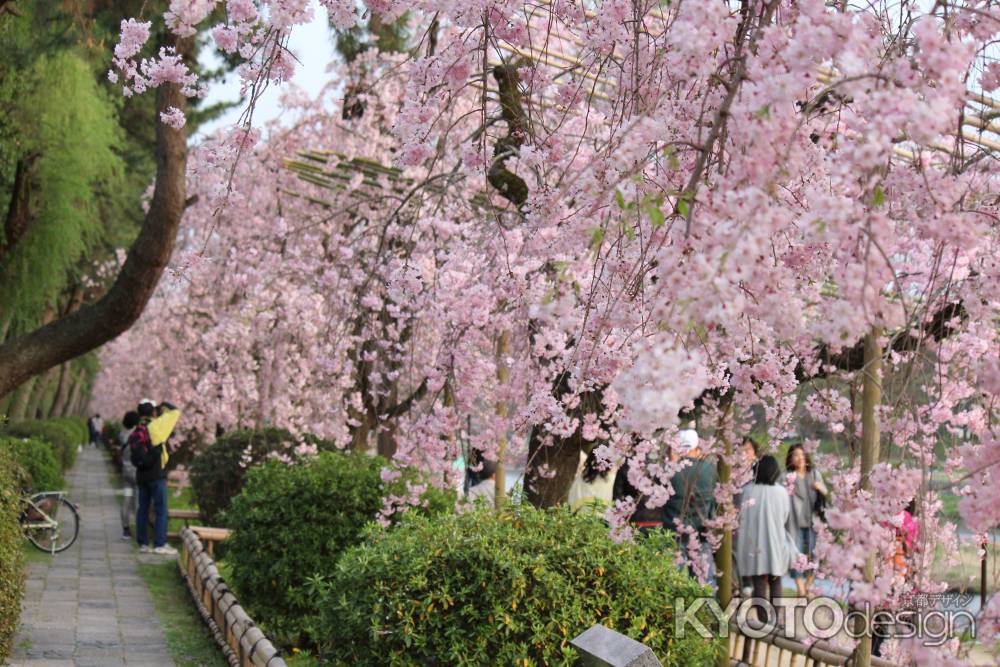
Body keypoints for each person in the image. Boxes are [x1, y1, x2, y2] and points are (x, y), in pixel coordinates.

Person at [737, 455, 799, 625]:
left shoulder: (747, 491)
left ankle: (763, 621)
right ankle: (774, 619)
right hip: (775, 540)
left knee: (758, 581)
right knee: (775, 580)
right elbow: (785, 516)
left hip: (753, 542)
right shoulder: (781, 492)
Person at [662, 429, 718, 581]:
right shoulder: (710, 470)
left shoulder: (670, 470)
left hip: (673, 531)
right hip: (700, 532)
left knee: (669, 580)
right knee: (703, 580)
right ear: (697, 447)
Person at [130, 399, 181, 555]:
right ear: (153, 412)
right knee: (161, 510)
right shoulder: (156, 426)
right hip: (156, 474)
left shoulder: (137, 430)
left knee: (142, 509)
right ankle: (160, 544)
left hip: (141, 475)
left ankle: (143, 544)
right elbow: (175, 412)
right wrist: (164, 404)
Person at [785, 444, 827, 596]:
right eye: (796, 455)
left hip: (813, 522)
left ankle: (808, 585)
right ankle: (800, 589)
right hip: (793, 523)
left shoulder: (814, 474)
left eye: (802, 454)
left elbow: (825, 492)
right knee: (795, 556)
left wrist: (819, 488)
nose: (800, 458)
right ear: (790, 458)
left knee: (814, 555)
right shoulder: (787, 477)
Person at [735, 437, 760, 596]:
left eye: (748, 450)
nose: (745, 453)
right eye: (742, 450)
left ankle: (754, 583)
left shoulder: (760, 469)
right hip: (738, 513)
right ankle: (744, 582)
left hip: (756, 513)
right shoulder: (734, 470)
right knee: (740, 549)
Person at [567, 448, 617, 516]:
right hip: (602, 519)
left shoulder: (582, 479)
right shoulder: (613, 480)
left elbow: (572, 502)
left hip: (582, 518)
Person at [118, 411, 140, 540]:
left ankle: (126, 530)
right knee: (137, 503)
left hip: (125, 472)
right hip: (136, 472)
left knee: (126, 501)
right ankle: (139, 530)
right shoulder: (137, 434)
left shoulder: (122, 434)